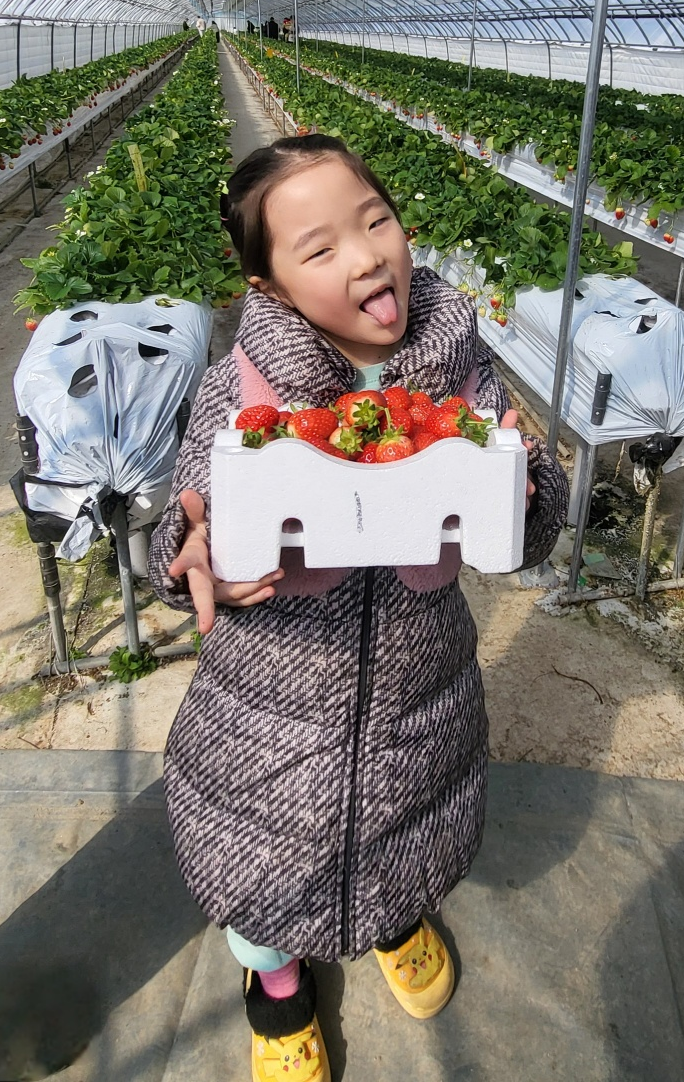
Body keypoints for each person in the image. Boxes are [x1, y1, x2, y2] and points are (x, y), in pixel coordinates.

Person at [149, 135, 568, 1082]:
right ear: (269, 289)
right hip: (264, 714)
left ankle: (393, 918)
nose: (367, 254)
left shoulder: (464, 378)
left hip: (421, 692)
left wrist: (527, 485)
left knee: (407, 827)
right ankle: (277, 988)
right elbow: (181, 527)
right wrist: (191, 559)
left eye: (375, 220)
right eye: (321, 247)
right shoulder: (239, 394)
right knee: (261, 864)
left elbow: (524, 517)